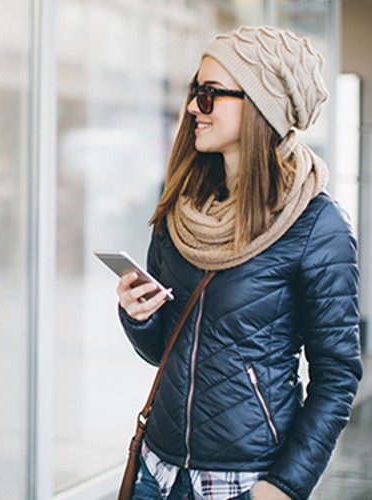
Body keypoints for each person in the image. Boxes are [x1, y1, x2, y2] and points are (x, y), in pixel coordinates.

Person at [116, 26, 362, 500]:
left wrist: (285, 485)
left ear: (259, 106)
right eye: (194, 92)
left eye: (209, 95)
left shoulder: (316, 225)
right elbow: (162, 352)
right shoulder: (181, 208)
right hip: (157, 472)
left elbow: (337, 376)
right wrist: (138, 315)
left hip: (242, 484)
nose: (193, 108)